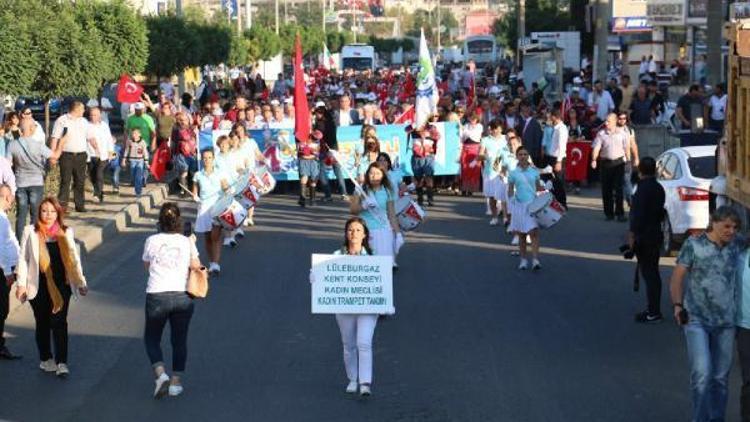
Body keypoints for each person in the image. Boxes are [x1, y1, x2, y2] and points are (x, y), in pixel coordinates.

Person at [669, 206, 743, 422]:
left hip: (726, 323)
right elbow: (677, 277)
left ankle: (716, 419)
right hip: (696, 320)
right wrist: (677, 305)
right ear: (714, 222)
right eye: (727, 226)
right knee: (702, 374)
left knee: (720, 378)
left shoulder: (737, 245)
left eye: (735, 227)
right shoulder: (694, 244)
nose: (731, 231)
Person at [15, 197, 88, 377]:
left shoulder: (65, 232)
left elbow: (73, 259)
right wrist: (21, 285)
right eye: (44, 211)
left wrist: (81, 282)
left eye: (52, 211)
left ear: (58, 213)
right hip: (38, 284)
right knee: (43, 322)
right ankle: (46, 359)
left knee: (59, 322)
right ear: (39, 212)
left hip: (61, 284)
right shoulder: (30, 231)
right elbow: (23, 260)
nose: (48, 215)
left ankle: (62, 362)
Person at [142, 203, 200, 398]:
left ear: (160, 221)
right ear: (179, 221)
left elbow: (147, 267)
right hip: (182, 295)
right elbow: (196, 266)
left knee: (152, 338)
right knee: (179, 340)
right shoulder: (187, 241)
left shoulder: (151, 240)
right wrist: (192, 242)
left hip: (157, 293)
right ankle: (175, 383)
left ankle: (160, 375)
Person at [324, 217, 381, 396]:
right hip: (344, 307)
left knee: (364, 343)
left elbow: (382, 283)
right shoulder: (336, 256)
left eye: (357, 230)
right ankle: (352, 379)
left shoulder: (374, 258)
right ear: (345, 233)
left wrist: (386, 303)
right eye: (350, 230)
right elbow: (325, 276)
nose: (353, 233)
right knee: (349, 345)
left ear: (364, 234)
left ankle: (365, 382)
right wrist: (316, 276)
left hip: (367, 308)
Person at [7, 119, 62, 241]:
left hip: (20, 183)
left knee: (21, 215)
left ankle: (20, 242)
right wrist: (62, 143)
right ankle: (34, 240)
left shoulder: (12, 145)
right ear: (31, 129)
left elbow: (8, 164)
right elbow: (55, 156)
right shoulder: (38, 145)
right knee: (35, 214)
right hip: (36, 183)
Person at [627, 157, 665, 323]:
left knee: (649, 274)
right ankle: (654, 309)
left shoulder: (641, 190)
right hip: (656, 233)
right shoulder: (658, 188)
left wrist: (632, 237)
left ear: (640, 170)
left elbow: (637, 216)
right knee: (653, 273)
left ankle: (653, 311)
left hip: (644, 236)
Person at [350, 163, 401, 265]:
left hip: (383, 231)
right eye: (371, 173)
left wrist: (398, 233)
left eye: (378, 173)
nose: (374, 176)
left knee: (383, 265)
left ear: (383, 175)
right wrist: (363, 206)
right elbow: (352, 210)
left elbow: (391, 215)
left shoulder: (387, 191)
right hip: (364, 231)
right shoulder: (360, 190)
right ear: (367, 175)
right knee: (365, 264)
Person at [192, 149, 230, 275]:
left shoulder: (220, 173)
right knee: (208, 237)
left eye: (209, 157)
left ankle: (216, 263)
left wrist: (228, 190)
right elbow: (195, 191)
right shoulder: (198, 175)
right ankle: (212, 262)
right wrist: (195, 197)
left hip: (217, 206)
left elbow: (225, 187)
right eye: (204, 158)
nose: (207, 160)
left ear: (213, 159)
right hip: (204, 207)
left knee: (216, 236)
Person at [507, 147, 545, 270]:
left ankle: (535, 260)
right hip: (519, 205)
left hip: (532, 205)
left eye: (525, 154)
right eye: (520, 154)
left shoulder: (534, 172)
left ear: (528, 156)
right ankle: (523, 260)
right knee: (522, 235)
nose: (523, 156)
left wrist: (546, 188)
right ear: (517, 156)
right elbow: (510, 190)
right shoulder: (513, 173)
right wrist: (511, 200)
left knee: (534, 233)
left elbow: (539, 188)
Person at [50, 101, 89, 213]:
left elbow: (89, 137)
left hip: (81, 155)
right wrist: (53, 155)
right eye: (82, 109)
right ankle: (62, 207)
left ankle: (80, 205)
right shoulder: (62, 120)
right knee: (65, 180)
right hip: (66, 155)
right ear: (76, 109)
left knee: (80, 181)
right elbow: (55, 138)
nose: (84, 111)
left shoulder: (84, 121)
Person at [591, 113, 630, 222]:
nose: (606, 123)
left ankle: (620, 213)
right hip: (605, 163)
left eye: (608, 121)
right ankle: (609, 213)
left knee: (618, 189)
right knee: (606, 189)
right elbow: (596, 148)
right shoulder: (601, 134)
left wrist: (628, 161)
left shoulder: (622, 133)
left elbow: (626, 148)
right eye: (605, 121)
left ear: (615, 121)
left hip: (619, 163)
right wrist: (594, 159)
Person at [0, 184, 20, 360]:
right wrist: (7, 271)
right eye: (10, 197)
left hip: (6, 269)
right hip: (2, 271)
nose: (11, 201)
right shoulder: (0, 219)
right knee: (2, 309)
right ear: (6, 197)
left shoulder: (3, 217)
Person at [478, 120, 508, 225]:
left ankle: (505, 217)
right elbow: (479, 156)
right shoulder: (485, 140)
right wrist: (486, 156)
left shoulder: (506, 139)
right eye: (492, 128)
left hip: (503, 171)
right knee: (491, 196)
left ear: (501, 128)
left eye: (496, 128)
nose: (494, 130)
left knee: (503, 196)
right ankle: (494, 217)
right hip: (490, 171)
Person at [86, 107, 116, 203]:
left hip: (103, 155)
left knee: (99, 174)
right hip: (90, 155)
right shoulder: (87, 125)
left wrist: (112, 154)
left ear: (99, 116)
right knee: (93, 176)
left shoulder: (104, 125)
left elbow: (109, 140)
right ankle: (100, 192)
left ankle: (97, 194)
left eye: (94, 115)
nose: (92, 117)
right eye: (91, 115)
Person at [543, 109, 568, 209]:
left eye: (551, 116)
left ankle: (562, 203)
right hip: (552, 157)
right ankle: (557, 201)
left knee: (559, 182)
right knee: (554, 181)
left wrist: (559, 161)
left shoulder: (561, 129)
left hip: (558, 158)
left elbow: (562, 146)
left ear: (554, 117)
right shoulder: (556, 128)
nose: (549, 118)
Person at [459, 112, 483, 195]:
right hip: (466, 147)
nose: (472, 120)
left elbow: (473, 135)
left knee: (474, 169)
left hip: (475, 148)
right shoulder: (466, 126)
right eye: (471, 118)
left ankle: (471, 189)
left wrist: (465, 131)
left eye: (474, 118)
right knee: (465, 168)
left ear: (477, 119)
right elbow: (462, 136)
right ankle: (464, 188)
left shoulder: (479, 126)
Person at [297, 130, 322, 207]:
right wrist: (307, 155)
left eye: (317, 139)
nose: (316, 140)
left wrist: (310, 155)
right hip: (304, 161)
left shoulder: (317, 144)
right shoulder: (303, 142)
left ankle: (312, 199)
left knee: (313, 180)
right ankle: (303, 199)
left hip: (313, 161)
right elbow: (300, 153)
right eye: (315, 138)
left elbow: (317, 154)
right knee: (304, 178)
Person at [122, 128, 149, 198]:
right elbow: (126, 150)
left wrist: (146, 162)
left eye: (136, 133)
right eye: (133, 133)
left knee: (138, 177)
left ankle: (138, 192)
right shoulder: (129, 141)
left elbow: (145, 152)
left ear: (140, 134)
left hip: (140, 160)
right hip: (132, 160)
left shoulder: (142, 142)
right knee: (133, 175)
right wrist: (124, 160)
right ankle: (136, 181)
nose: (134, 135)